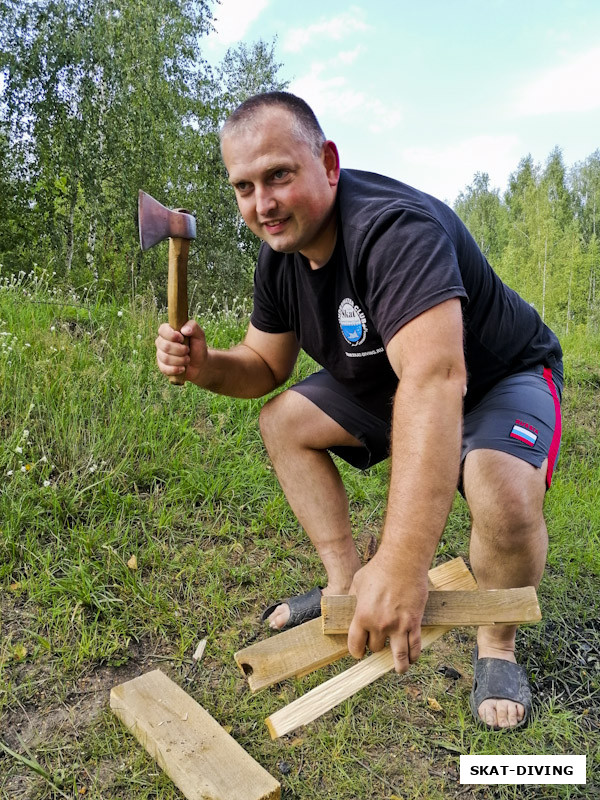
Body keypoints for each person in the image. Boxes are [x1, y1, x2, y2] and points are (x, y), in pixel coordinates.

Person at [155, 92, 563, 731]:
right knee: (284, 421)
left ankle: (498, 639)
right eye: (244, 187)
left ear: (329, 163)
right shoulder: (281, 257)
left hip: (498, 375)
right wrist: (208, 366)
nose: (262, 204)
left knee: (500, 489)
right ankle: (345, 583)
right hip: (386, 376)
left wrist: (403, 566)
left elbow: (435, 380)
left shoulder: (394, 230)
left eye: (279, 175)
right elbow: (266, 366)